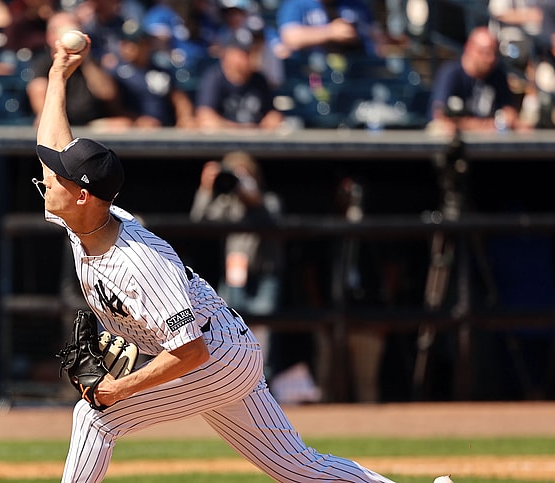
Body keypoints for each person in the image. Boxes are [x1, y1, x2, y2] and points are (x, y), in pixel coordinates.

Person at [32, 29, 401, 483]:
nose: (46, 180)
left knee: (95, 418)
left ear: (83, 196)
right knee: (297, 467)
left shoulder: (139, 263)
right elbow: (52, 147)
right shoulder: (82, 218)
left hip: (214, 357)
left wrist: (120, 388)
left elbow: (190, 352)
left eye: (58, 178)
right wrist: (58, 75)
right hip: (226, 348)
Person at [189, 150, 282, 315]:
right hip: (235, 271)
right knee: (230, 320)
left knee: (263, 322)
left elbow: (270, 216)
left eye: (244, 175)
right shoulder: (228, 203)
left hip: (264, 273)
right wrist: (205, 189)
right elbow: (198, 221)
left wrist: (251, 194)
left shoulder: (269, 200)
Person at [27, 10, 130, 127]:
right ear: (51, 36)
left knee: (123, 124)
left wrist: (85, 60)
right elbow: (39, 96)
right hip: (60, 123)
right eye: (64, 30)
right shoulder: (43, 63)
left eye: (74, 29)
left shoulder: (90, 61)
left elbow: (107, 94)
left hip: (90, 124)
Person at [427, 26, 528, 134]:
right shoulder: (451, 73)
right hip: (459, 138)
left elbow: (509, 114)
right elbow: (440, 116)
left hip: (491, 139)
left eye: (494, 53)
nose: (491, 58)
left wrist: (471, 124)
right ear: (469, 48)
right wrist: (486, 126)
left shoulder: (498, 74)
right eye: (485, 52)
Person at [109, 22, 196, 128]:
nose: (128, 48)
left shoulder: (159, 70)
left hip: (164, 128)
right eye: (125, 43)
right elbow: (113, 106)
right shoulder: (117, 73)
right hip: (133, 129)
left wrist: (185, 117)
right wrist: (136, 119)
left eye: (136, 43)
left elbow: (178, 97)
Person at [194, 27, 283, 129]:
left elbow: (272, 114)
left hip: (255, 136)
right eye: (243, 54)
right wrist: (242, 129)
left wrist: (272, 119)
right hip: (224, 137)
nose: (249, 58)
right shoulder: (214, 78)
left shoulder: (259, 79)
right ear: (228, 54)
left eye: (252, 52)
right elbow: (206, 117)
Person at [276, 0, 388, 60]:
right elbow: (290, 37)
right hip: (314, 73)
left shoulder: (354, 4)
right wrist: (331, 32)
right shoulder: (296, 4)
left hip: (356, 68)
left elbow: (375, 36)